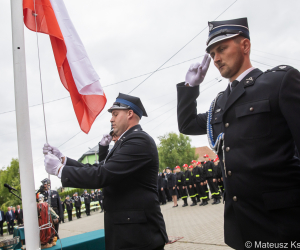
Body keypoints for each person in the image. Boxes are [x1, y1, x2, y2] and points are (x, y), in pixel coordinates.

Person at [177, 17, 300, 249]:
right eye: (212, 54)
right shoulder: (220, 103)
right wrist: (189, 89)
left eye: (222, 49)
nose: (216, 59)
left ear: (245, 46)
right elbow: (187, 125)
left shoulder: (279, 82)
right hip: (241, 224)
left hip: (282, 222)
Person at [43, 93, 168, 250]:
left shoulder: (138, 141)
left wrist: (60, 171)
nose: (111, 119)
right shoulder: (123, 142)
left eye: (115, 114)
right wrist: (63, 160)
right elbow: (98, 168)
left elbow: (102, 175)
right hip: (127, 231)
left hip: (139, 235)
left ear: (130, 114)